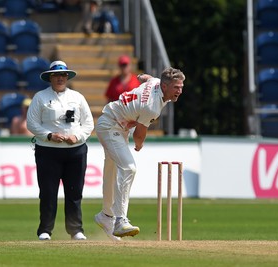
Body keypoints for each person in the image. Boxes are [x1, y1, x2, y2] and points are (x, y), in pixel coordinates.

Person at [94, 67, 185, 240]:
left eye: (181, 87)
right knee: (129, 168)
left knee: (111, 171)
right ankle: (120, 220)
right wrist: (139, 145)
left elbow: (150, 78)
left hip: (117, 125)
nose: (179, 91)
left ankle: (106, 216)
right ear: (165, 87)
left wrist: (143, 77)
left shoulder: (157, 82)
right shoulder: (152, 107)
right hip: (110, 126)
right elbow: (139, 134)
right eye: (176, 87)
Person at [27, 60, 94, 241]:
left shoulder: (78, 97)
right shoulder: (40, 97)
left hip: (75, 151)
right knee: (48, 192)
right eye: (56, 75)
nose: (60, 78)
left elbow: (88, 123)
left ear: (67, 77)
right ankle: (45, 230)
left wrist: (77, 137)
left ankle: (76, 230)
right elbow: (32, 123)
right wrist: (49, 135)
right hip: (48, 151)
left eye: (63, 75)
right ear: (50, 77)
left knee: (74, 192)